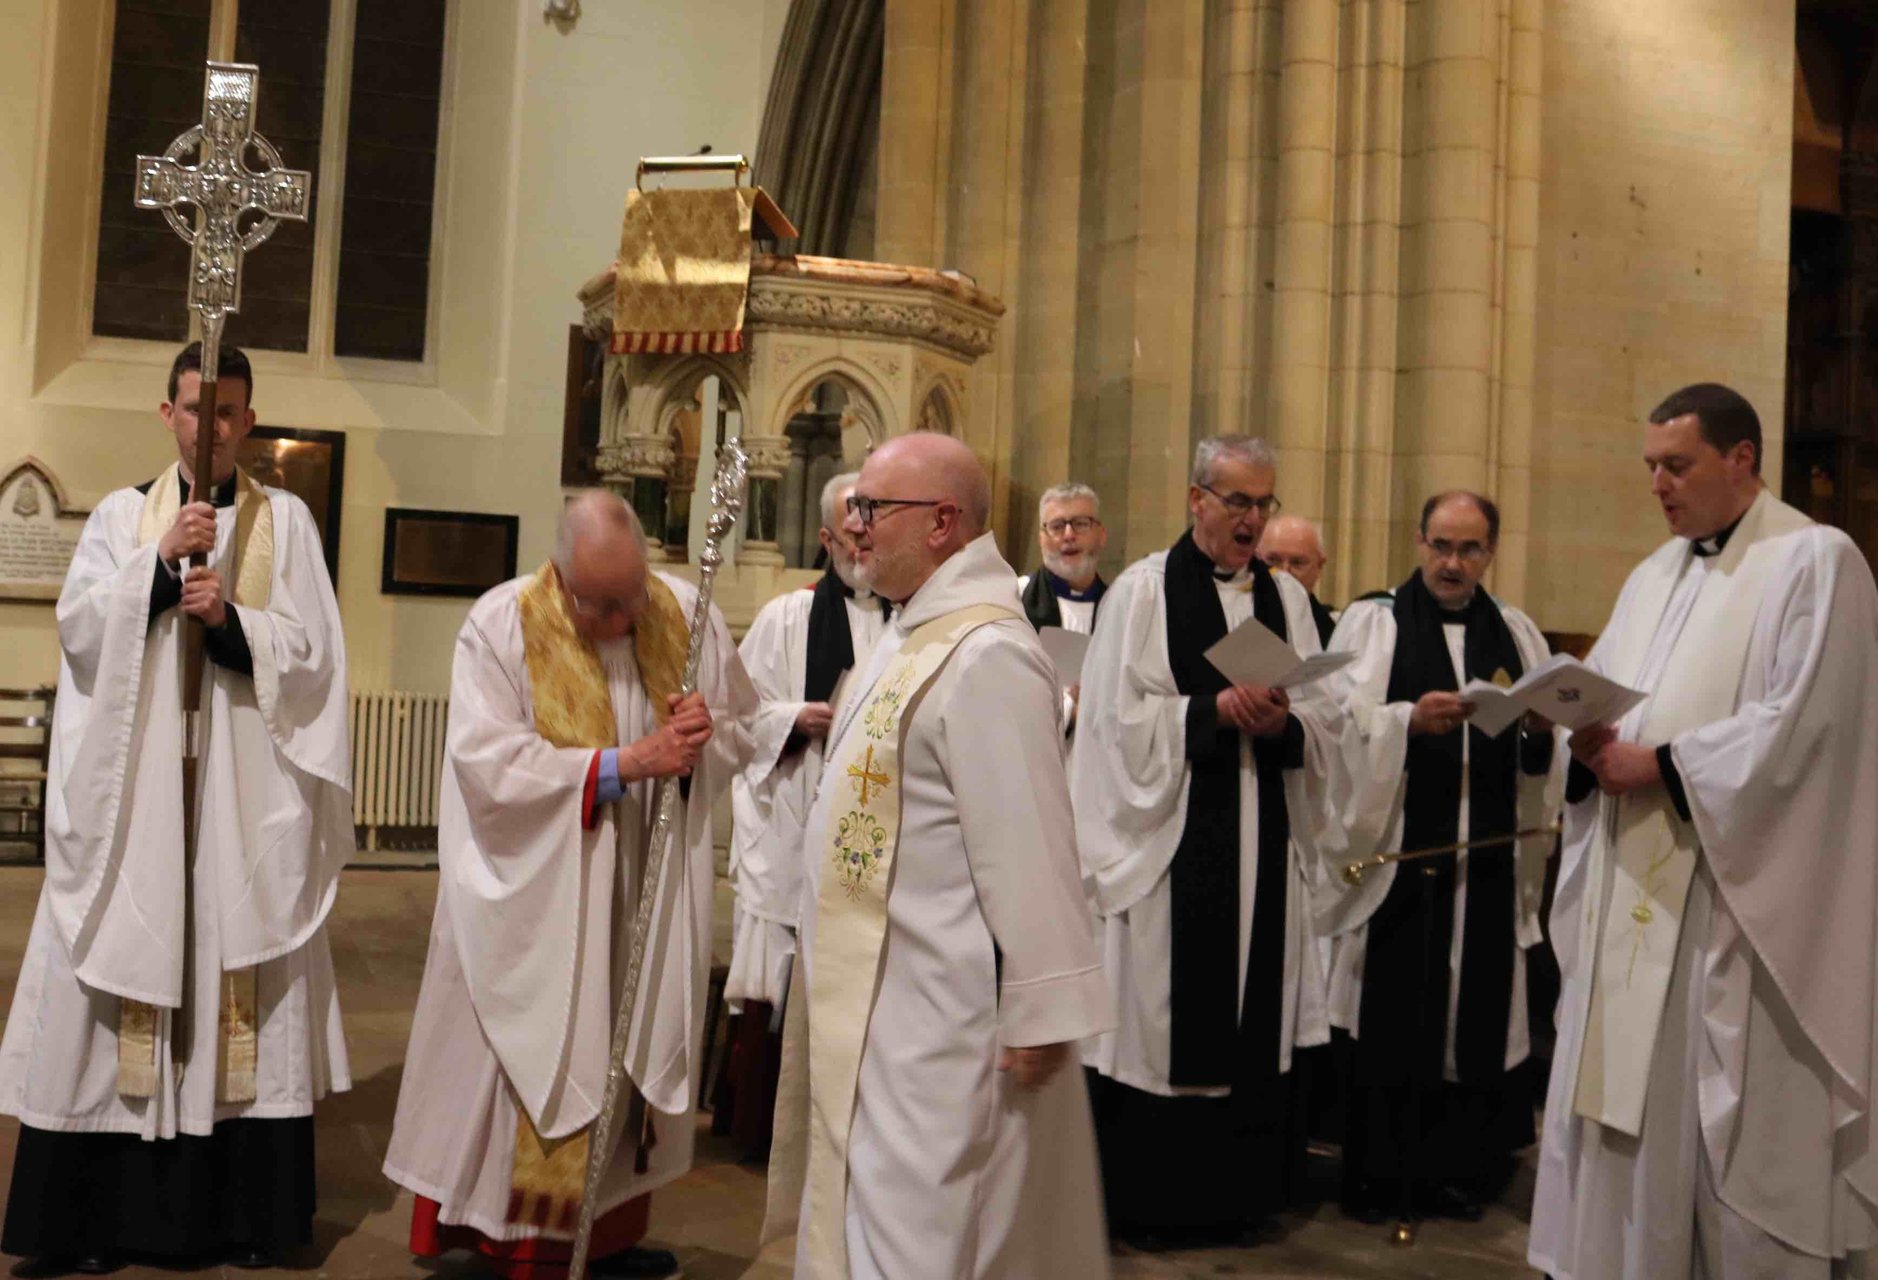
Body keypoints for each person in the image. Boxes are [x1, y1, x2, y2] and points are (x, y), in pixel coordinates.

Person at [0, 342, 354, 1271]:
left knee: (237, 966)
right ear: (169, 414)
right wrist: (157, 568)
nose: (213, 427)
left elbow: (317, 662)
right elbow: (81, 632)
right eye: (196, 409)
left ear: (249, 419)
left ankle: (246, 1219)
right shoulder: (123, 517)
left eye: (230, 411)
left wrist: (230, 623)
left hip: (239, 803)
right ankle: (84, 1221)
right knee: (122, 961)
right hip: (143, 804)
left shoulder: (292, 527)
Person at [1529, 384, 1878, 1278]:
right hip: (1633, 894)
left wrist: (1668, 766)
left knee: (1721, 1139)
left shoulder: (1816, 560)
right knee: (1627, 1126)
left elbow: (1810, 728)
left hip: (1731, 913)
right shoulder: (1655, 574)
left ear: (1742, 460)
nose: (1658, 485)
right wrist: (1575, 729)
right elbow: (1607, 686)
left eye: (1675, 465)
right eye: (1649, 467)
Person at [762, 433, 1111, 1279]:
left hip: (944, 1019)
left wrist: (1042, 1009)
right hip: (882, 996)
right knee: (874, 1211)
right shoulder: (911, 633)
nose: (857, 526)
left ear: (944, 522)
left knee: (933, 1231)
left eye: (876, 508)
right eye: (858, 508)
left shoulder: (986, 653)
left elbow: (1031, 844)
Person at [383, 491, 754, 1280]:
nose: (623, 620)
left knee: (625, 1052)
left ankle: (608, 1237)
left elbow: (739, 731)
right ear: (558, 572)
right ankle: (514, 1244)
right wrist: (622, 765)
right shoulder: (501, 624)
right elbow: (486, 765)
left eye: (632, 598)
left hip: (638, 896)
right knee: (536, 1048)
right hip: (537, 892)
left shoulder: (686, 614)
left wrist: (703, 731)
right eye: (600, 605)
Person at [1071, 434, 1348, 1246]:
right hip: (1170, 843)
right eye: (1238, 502)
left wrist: (1288, 719)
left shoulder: (1289, 602)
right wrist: (1210, 712)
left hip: (1262, 834)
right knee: (1164, 1021)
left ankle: (1242, 1200)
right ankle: (1153, 1206)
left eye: (1264, 503)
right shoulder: (1145, 593)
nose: (1253, 521)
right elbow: (1115, 724)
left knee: (1249, 1019)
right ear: (1197, 500)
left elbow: (1328, 718)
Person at [1323, 491, 1562, 1222]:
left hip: (1485, 857)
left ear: (1491, 552)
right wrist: (1405, 723)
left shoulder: (1516, 633)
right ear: (1419, 541)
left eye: (1470, 549)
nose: (1453, 563)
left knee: (1473, 1012)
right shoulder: (1373, 624)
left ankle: (1465, 1171)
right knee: (1397, 1008)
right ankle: (1384, 1174)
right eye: (1441, 546)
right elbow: (1336, 724)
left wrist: (1533, 735)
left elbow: (1548, 741)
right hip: (1399, 855)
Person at [721, 471, 890, 1154]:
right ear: (826, 538)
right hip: (793, 816)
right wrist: (797, 718)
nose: (864, 541)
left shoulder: (911, 619)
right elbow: (735, 716)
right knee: (779, 975)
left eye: (873, 526)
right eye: (852, 531)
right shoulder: (787, 618)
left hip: (874, 824)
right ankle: (764, 1129)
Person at [1257, 513, 1336, 646]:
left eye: (1298, 562)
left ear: (1319, 566)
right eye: (1273, 561)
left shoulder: (1334, 631)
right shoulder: (1238, 613)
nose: (1284, 572)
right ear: (1256, 558)